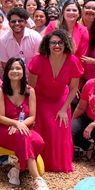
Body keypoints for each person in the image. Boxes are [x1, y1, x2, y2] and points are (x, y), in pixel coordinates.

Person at [26, 29, 83, 173]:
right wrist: (32, 109)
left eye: (60, 43)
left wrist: (64, 109)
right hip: (40, 99)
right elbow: (31, 88)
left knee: (60, 127)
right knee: (45, 128)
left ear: (66, 44)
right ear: (47, 44)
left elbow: (73, 89)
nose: (57, 46)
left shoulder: (73, 61)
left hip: (61, 99)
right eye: (53, 43)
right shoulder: (39, 60)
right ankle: (39, 163)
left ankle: (58, 164)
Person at [0, 57, 50, 190]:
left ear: (23, 72)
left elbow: (32, 116)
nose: (15, 71)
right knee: (24, 137)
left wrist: (20, 124)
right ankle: (37, 179)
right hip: (4, 129)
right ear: (7, 71)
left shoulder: (30, 91)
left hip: (24, 127)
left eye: (18, 68)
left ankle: (16, 169)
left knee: (39, 142)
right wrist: (15, 123)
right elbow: (0, 117)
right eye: (12, 68)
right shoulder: (1, 90)